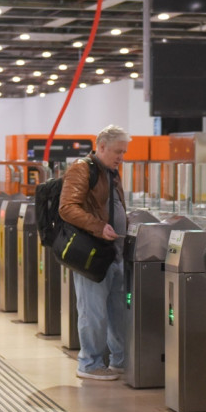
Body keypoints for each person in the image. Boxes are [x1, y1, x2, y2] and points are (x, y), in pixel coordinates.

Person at [58, 125, 130, 381]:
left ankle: (119, 361)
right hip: (93, 253)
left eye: (123, 152)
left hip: (116, 252)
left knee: (117, 310)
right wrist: (99, 227)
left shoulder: (111, 172)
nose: (121, 157)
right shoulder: (82, 169)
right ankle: (89, 363)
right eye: (117, 151)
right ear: (101, 147)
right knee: (94, 312)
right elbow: (67, 207)